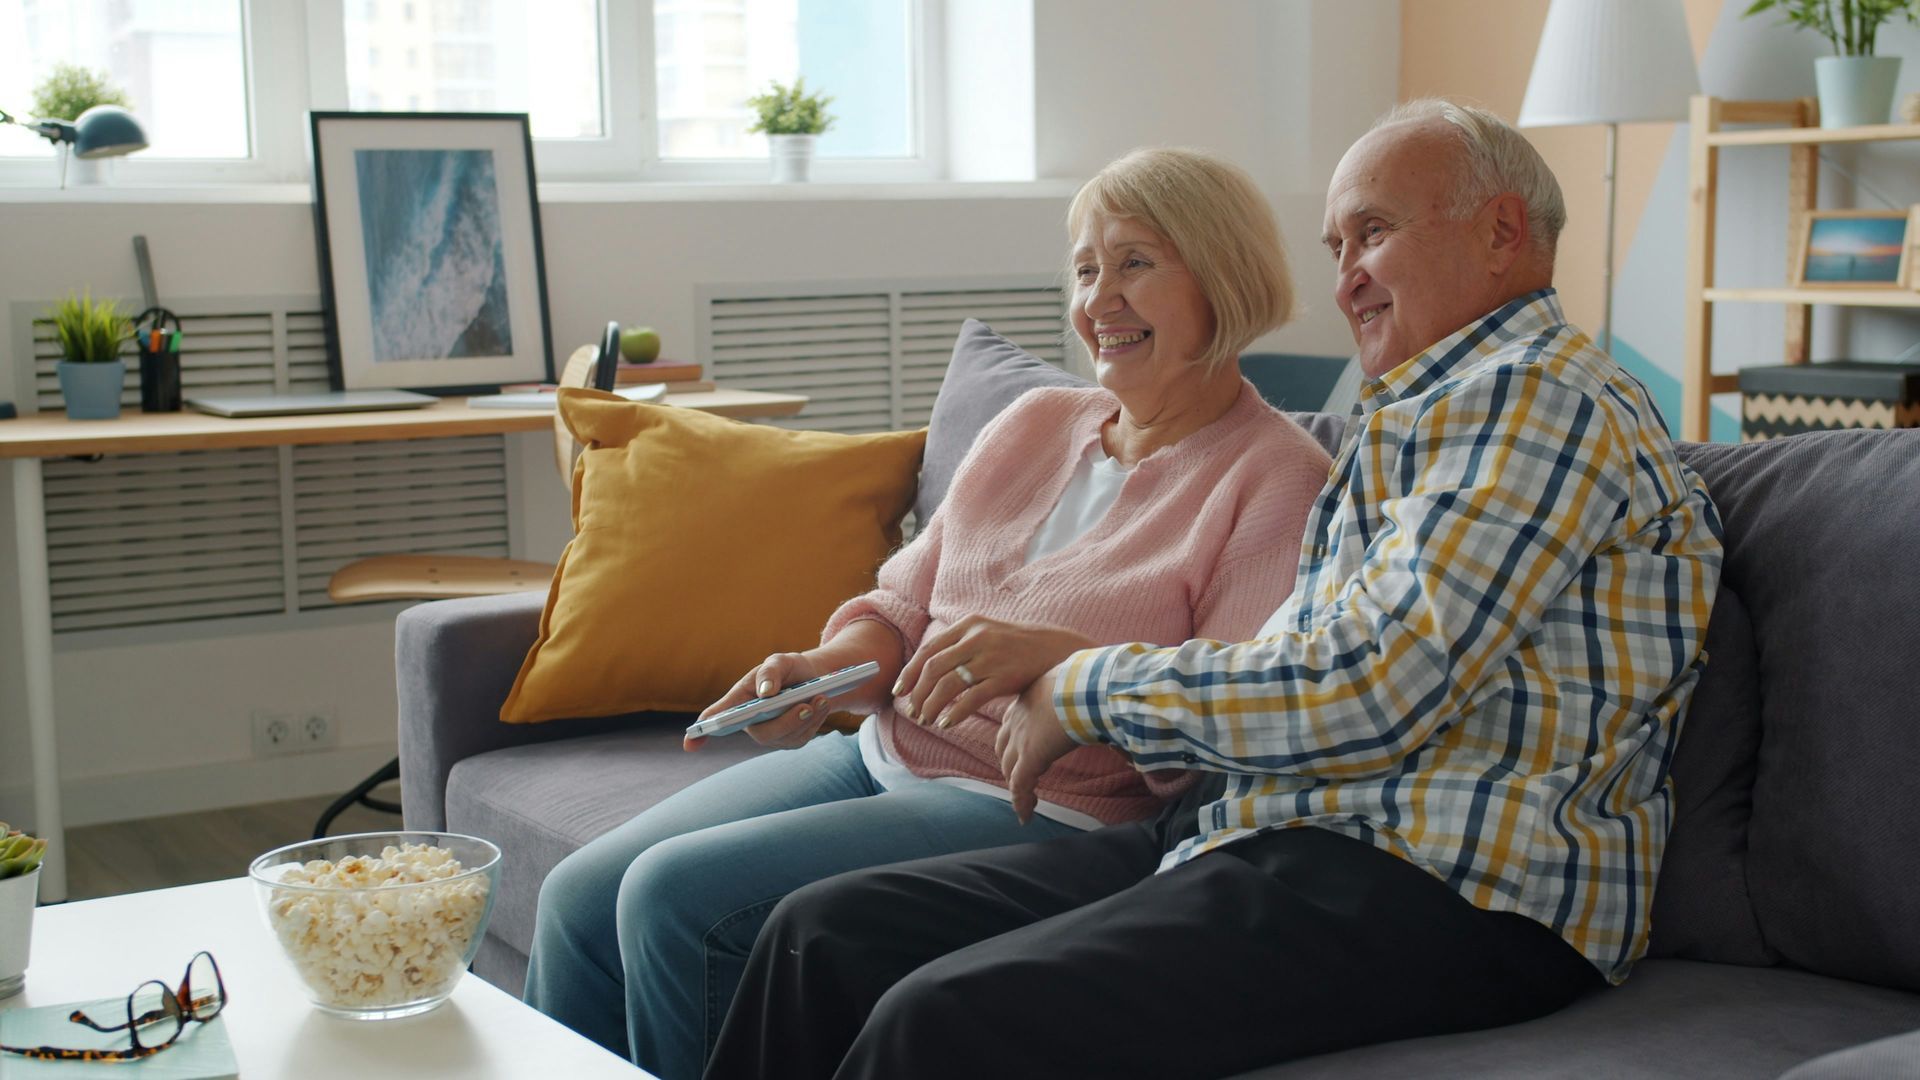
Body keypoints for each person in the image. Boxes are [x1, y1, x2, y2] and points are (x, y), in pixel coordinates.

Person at [703, 99, 1727, 1080]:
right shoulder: (1413, 418)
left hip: (1451, 886)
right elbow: (1278, 667)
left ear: (1502, 231)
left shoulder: (1539, 398)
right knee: (822, 935)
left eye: (1372, 234)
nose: (1348, 280)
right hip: (1275, 832)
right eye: (1337, 248)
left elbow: (1366, 691)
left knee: (938, 1018)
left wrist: (1083, 687)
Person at [522, 147, 1334, 1080]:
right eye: (1084, 269)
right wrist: (826, 669)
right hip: (877, 751)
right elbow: (905, 602)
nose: (1098, 298)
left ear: (1223, 271)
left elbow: (1216, 736)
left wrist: (1059, 662)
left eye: (1135, 263)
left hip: (1041, 806)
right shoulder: (1033, 423)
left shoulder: (1275, 479)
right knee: (581, 895)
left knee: (672, 899)